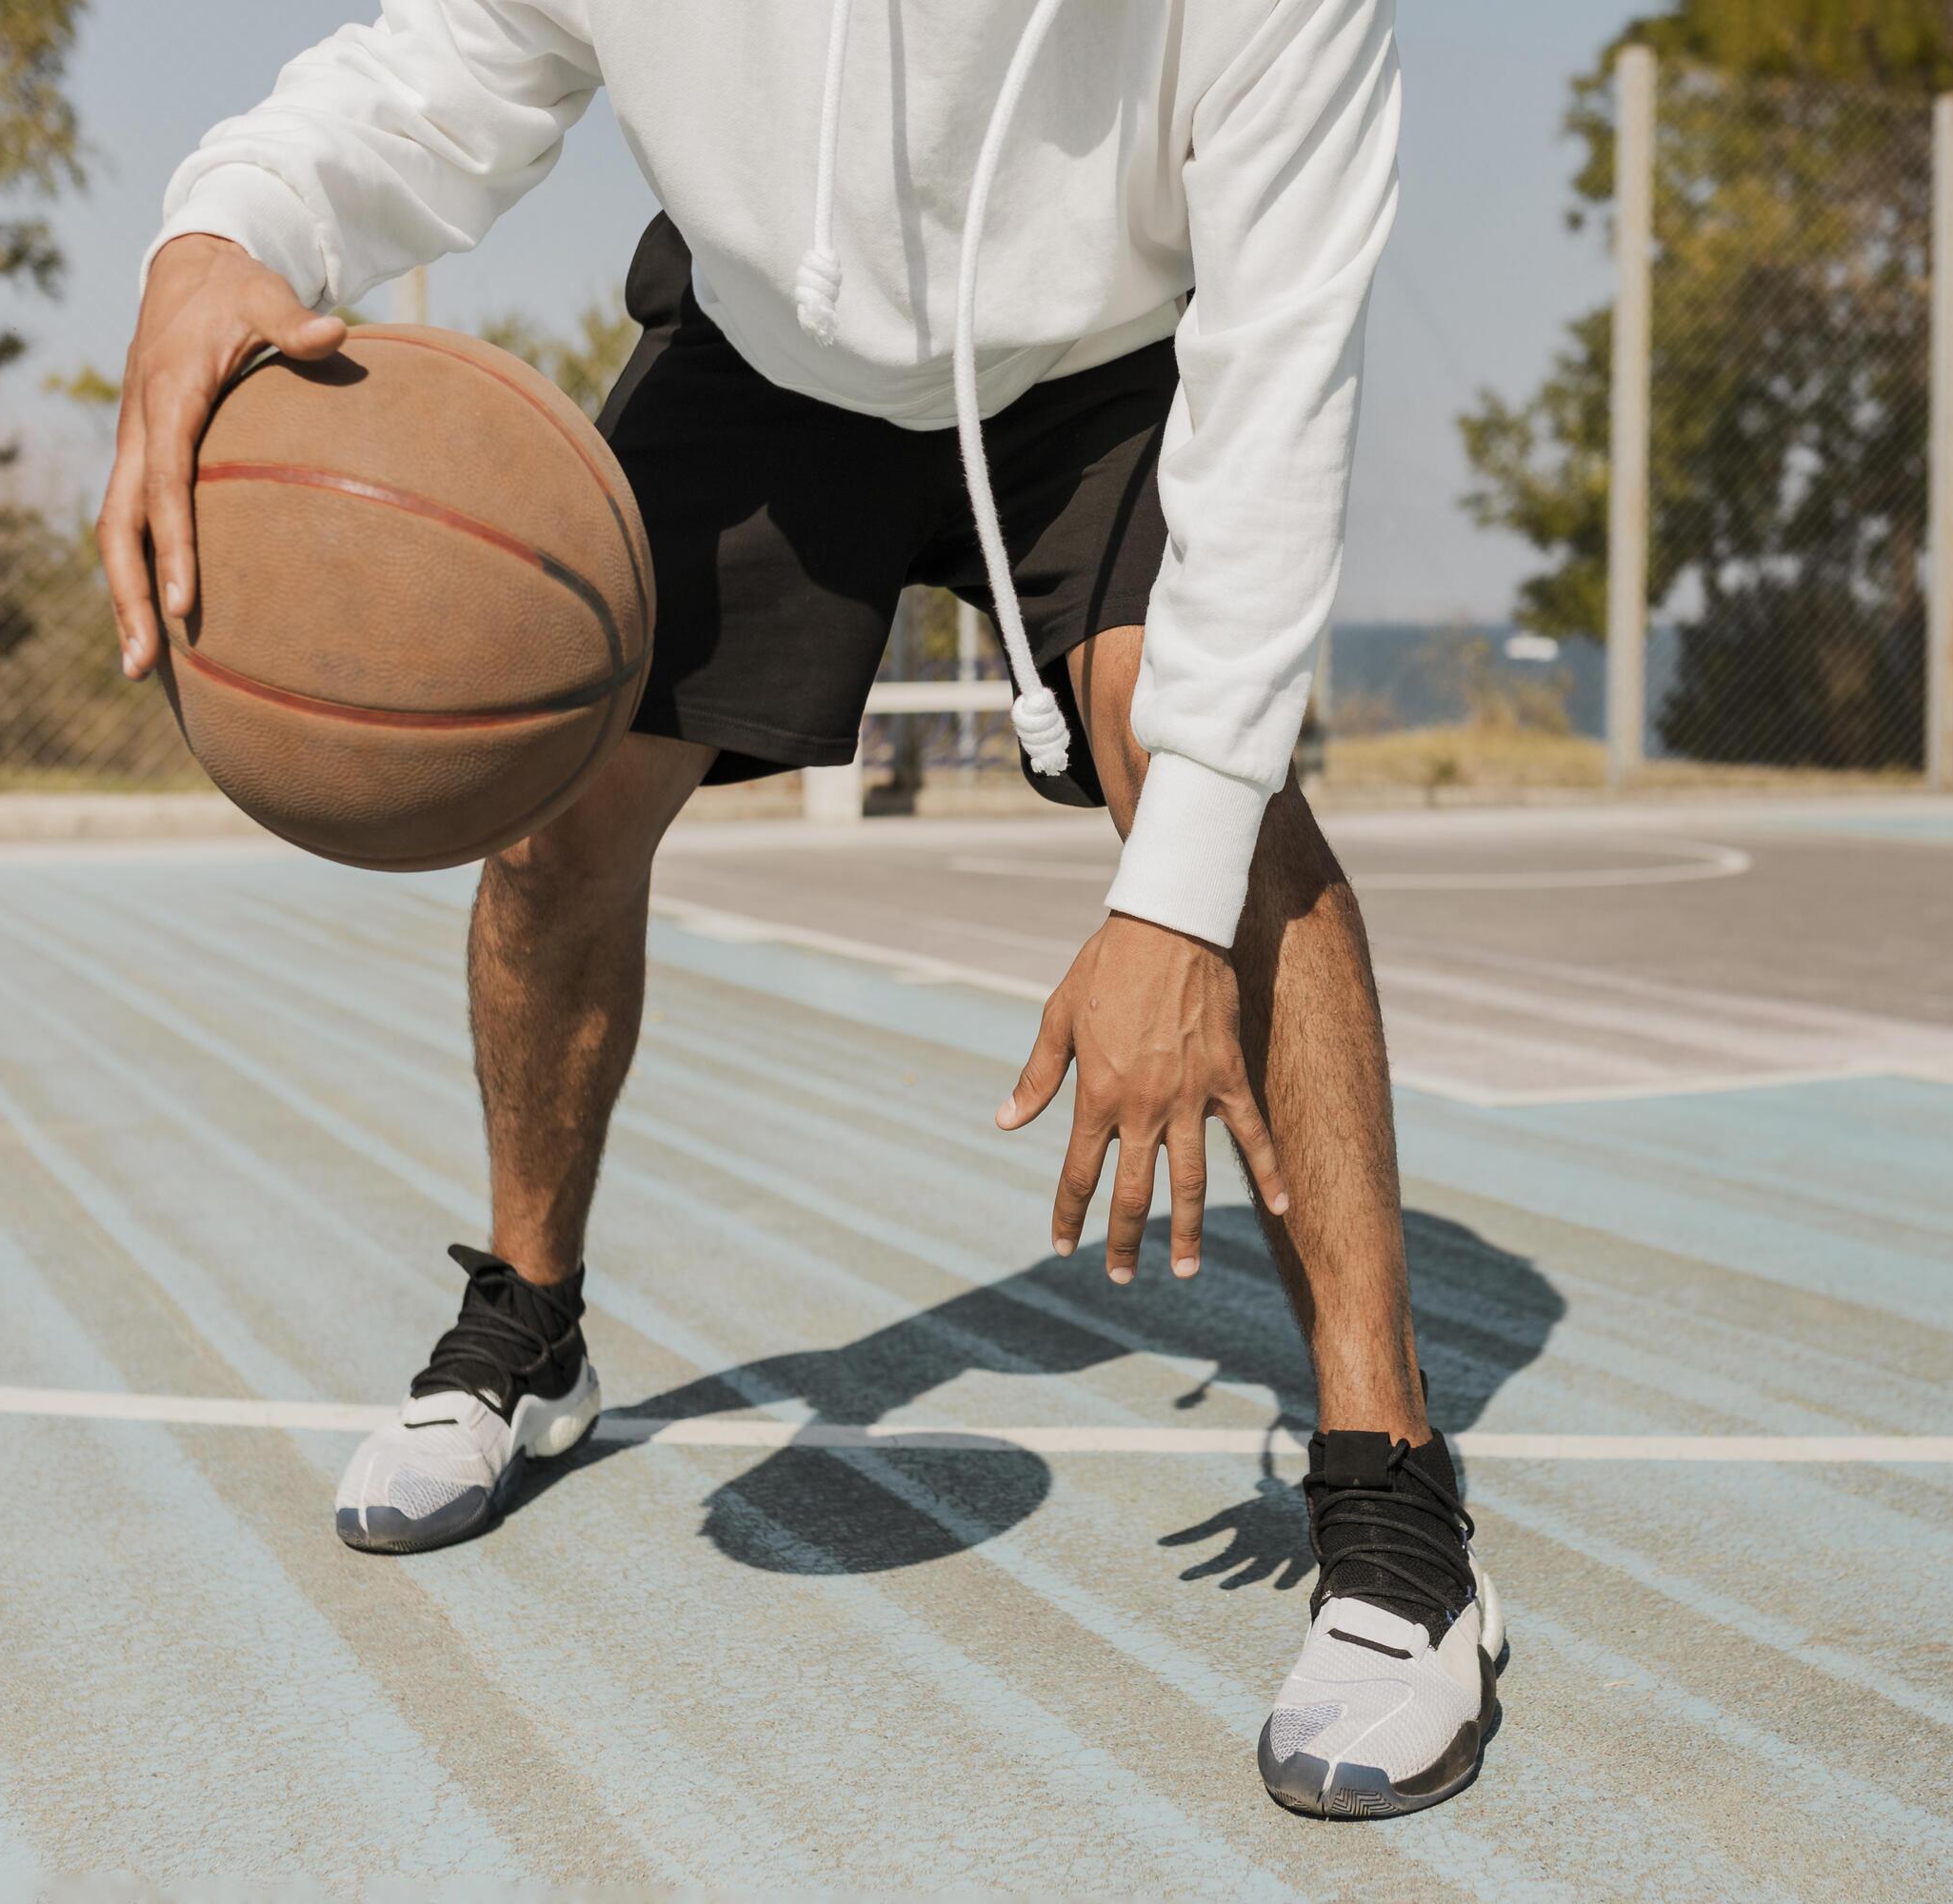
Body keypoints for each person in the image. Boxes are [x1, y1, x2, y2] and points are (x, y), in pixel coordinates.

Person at [97, 0, 1498, 1820]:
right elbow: (435, 74)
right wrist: (225, 226)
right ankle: (531, 1326)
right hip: (776, 358)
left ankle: (1393, 1491)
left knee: (1218, 804)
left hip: (1114, 360)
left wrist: (1170, 891)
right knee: (561, 800)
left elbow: (1283, 373)